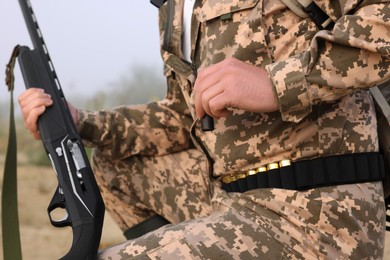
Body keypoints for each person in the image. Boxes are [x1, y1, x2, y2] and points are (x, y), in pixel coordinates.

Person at [18, 0, 390, 258]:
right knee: (116, 167)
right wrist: (81, 121)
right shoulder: (172, 9)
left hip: (316, 213)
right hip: (232, 199)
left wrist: (278, 84)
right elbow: (183, 116)